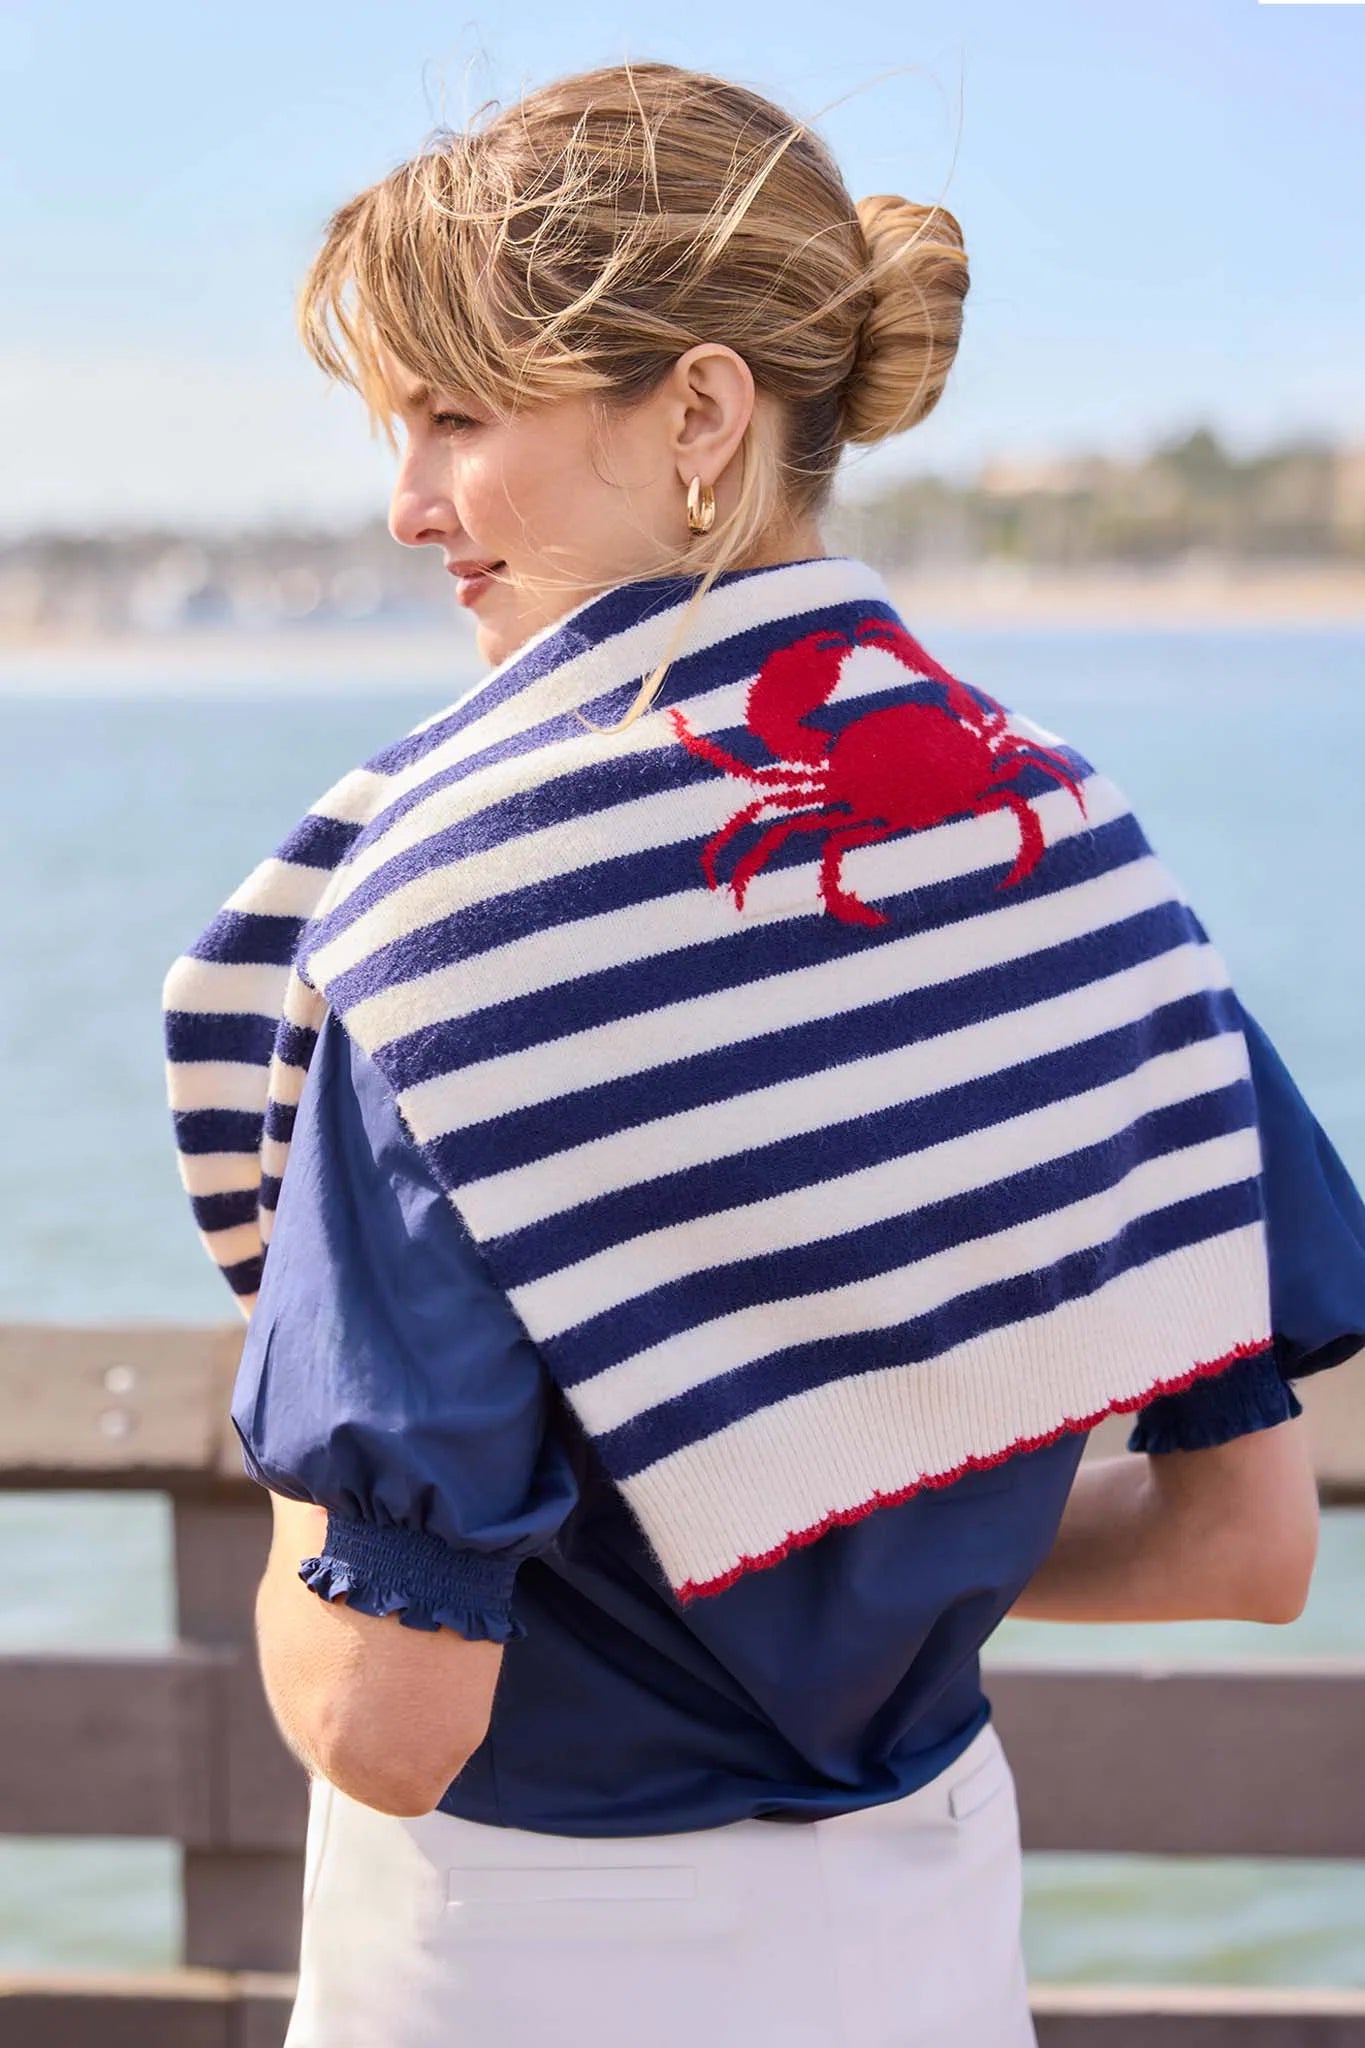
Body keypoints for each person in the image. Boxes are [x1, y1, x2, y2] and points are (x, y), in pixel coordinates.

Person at [162, 60, 1365, 2048]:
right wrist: (847, 1544)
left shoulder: (439, 933)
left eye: (457, 416)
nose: (405, 504)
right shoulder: (1082, 867)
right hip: (927, 1940)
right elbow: (1237, 1545)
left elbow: (384, 1717)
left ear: (699, 412)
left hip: (516, 1959)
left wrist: (301, 1462)